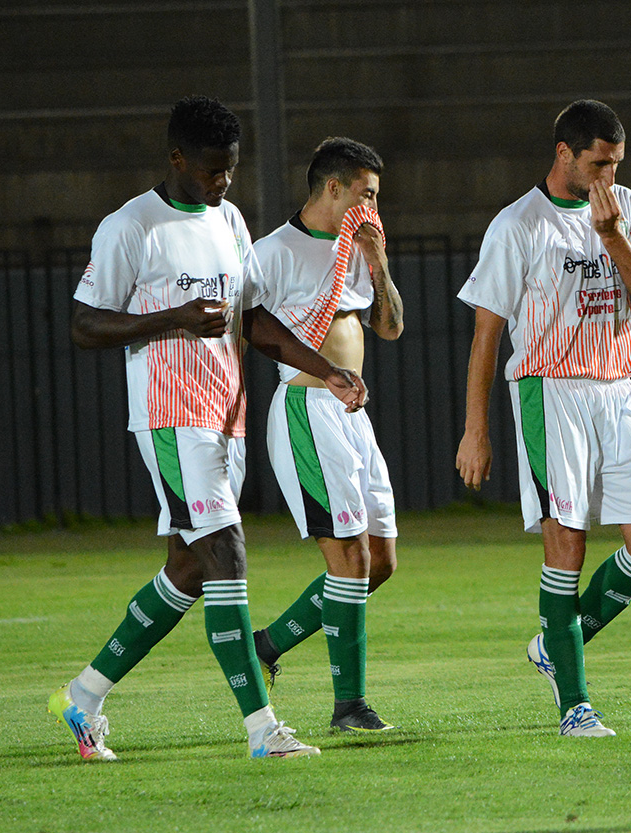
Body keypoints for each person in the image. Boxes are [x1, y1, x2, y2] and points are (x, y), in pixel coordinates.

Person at [48, 95, 368, 761]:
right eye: (210, 169)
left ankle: (83, 695)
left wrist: (325, 369)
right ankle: (263, 730)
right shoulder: (131, 227)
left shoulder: (229, 220)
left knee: (189, 569)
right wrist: (172, 318)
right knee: (228, 553)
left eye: (231, 169)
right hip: (171, 416)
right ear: (175, 159)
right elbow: (83, 324)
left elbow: (250, 319)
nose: (221, 180)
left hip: (228, 417)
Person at [455, 99, 631, 737]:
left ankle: (558, 642)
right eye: (598, 163)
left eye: (615, 164)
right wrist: (476, 428)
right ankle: (574, 706)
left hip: (617, 388)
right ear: (564, 155)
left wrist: (610, 237)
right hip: (552, 391)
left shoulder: (623, 208)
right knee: (567, 540)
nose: (608, 175)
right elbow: (486, 337)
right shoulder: (518, 225)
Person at [248, 137, 402, 733]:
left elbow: (388, 328)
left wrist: (378, 261)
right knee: (350, 557)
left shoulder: (355, 251)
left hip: (352, 416)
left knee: (380, 561)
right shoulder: (275, 251)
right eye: (366, 194)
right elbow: (246, 323)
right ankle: (349, 705)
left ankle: (268, 644)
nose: (373, 206)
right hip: (307, 408)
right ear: (333, 188)